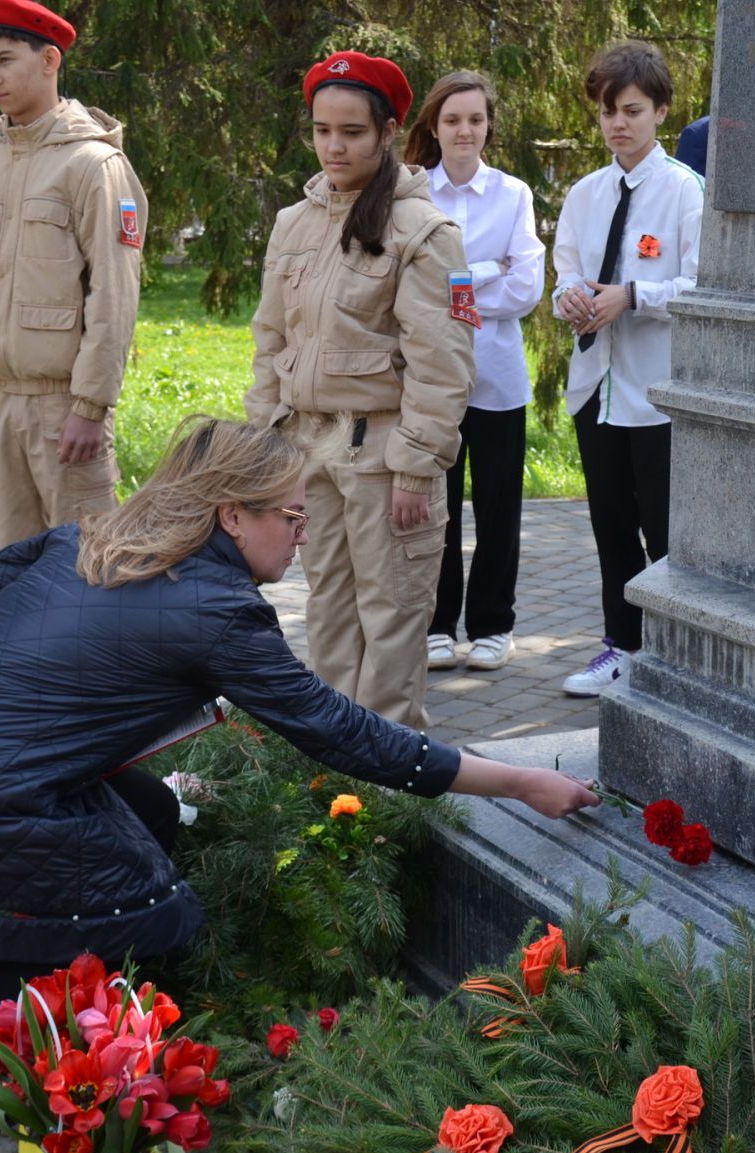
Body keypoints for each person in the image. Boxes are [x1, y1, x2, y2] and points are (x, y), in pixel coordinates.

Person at [0, 418, 597, 1130]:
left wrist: (48, 698)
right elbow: (344, 736)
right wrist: (519, 780)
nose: (306, 535)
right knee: (152, 916)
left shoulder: (87, 540)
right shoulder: (219, 610)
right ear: (231, 516)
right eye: (291, 516)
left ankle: (30, 993)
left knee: (146, 816)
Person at [245, 51, 476, 728]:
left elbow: (443, 362)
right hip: (308, 450)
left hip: (385, 456)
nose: (334, 146)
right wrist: (266, 444)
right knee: (329, 609)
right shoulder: (295, 222)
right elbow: (269, 341)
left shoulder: (424, 233)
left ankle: (389, 786)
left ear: (387, 133)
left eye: (351, 131)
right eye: (322, 130)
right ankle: (335, 773)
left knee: (393, 616)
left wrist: (416, 465)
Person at [0, 0, 148, 549]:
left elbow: (113, 295)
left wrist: (90, 405)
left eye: (5, 60)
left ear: (50, 59)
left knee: (89, 566)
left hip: (63, 406)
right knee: (15, 571)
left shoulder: (92, 164)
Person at [551, 42, 703, 697]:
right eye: (608, 111)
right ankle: (620, 647)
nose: (619, 123)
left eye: (633, 111)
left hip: (658, 392)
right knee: (611, 526)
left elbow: (702, 286)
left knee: (665, 532)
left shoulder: (686, 192)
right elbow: (563, 275)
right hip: (598, 387)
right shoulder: (586, 194)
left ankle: (675, 657)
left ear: (661, 111)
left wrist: (634, 296)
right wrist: (574, 300)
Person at [402, 71, 545, 674]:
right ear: (434, 126)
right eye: (453, 119)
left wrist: (459, 286)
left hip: (497, 377)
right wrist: (488, 271)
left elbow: (528, 287)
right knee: (439, 506)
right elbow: (407, 286)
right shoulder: (413, 197)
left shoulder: (512, 195)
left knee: (497, 506)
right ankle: (437, 623)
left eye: (476, 120)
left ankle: (493, 624)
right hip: (430, 378)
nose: (465, 130)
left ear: (489, 126)